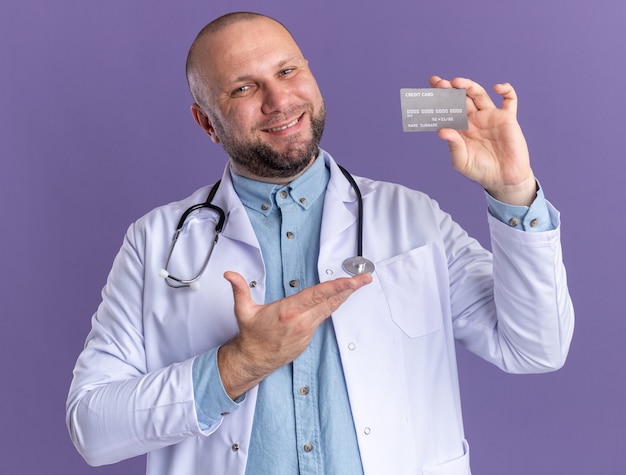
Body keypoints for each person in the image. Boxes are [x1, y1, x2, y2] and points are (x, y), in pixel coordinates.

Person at [66, 11, 574, 475]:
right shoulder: (156, 241)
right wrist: (239, 365)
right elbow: (91, 427)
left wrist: (513, 192)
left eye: (288, 72)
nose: (279, 101)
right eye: (243, 88)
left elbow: (536, 348)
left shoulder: (412, 218)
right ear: (207, 124)